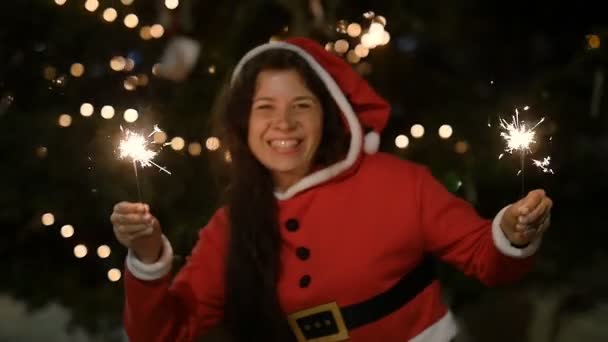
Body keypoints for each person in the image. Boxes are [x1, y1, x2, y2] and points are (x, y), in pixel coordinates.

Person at [110, 37, 553, 342]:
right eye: (266, 108)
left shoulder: (397, 183)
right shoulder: (230, 226)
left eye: (301, 105)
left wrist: (513, 232)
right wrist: (148, 257)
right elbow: (161, 333)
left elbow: (490, 262)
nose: (284, 124)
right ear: (243, 124)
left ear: (331, 115)